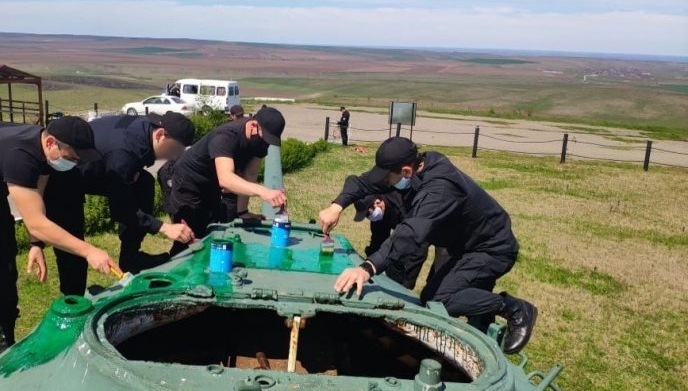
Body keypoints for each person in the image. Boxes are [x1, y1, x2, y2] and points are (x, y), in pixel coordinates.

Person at [0, 117, 120, 391]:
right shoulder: (20, 155)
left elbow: (36, 198)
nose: (74, 163)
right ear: (51, 143)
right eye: (73, 157)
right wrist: (89, 251)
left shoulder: (44, 153)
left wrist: (35, 243)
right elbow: (37, 220)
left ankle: (6, 338)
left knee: (4, 270)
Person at [319, 137, 537, 354]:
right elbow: (361, 182)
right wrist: (337, 206)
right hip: (461, 244)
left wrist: (366, 268)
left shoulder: (440, 190)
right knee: (441, 298)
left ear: (406, 171)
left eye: (388, 176)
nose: (385, 182)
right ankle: (482, 322)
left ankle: (515, 308)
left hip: (491, 248)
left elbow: (410, 234)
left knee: (439, 300)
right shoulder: (419, 164)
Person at [31, 112, 196, 295]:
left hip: (99, 167)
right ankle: (73, 300)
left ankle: (130, 258)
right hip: (64, 177)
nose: (174, 157)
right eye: (174, 150)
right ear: (160, 135)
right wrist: (164, 228)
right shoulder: (124, 152)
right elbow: (123, 211)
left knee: (144, 183)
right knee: (73, 240)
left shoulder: (146, 129)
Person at [168, 107, 287, 255]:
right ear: (253, 125)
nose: (265, 142)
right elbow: (225, 178)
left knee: (209, 233)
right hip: (189, 183)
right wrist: (264, 192)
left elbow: (250, 173)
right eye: (265, 137)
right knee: (188, 238)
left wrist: (242, 211)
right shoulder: (226, 136)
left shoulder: (261, 140)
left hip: (211, 185)